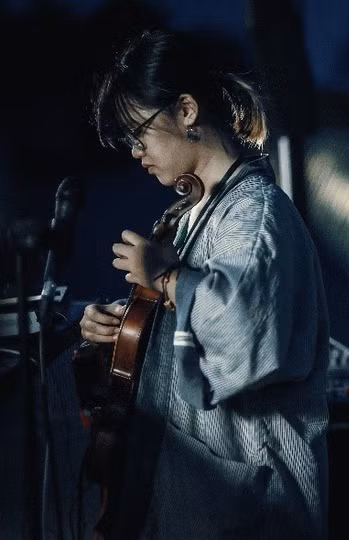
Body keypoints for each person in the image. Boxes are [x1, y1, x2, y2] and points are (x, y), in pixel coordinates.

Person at [78, 28, 330, 539]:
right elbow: (185, 320)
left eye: (140, 133)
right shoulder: (195, 210)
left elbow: (246, 334)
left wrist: (166, 275)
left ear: (186, 110)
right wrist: (121, 325)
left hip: (254, 502)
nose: (136, 152)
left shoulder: (255, 215)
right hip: (207, 493)